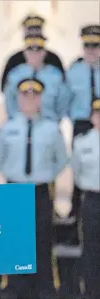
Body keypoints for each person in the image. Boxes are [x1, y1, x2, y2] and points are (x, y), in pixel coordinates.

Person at [0, 78, 67, 299]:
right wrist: (14, 174)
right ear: (18, 98)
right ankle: (16, 288)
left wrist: (44, 176)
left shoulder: (52, 128)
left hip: (40, 190)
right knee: (15, 239)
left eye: (35, 95)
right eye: (25, 95)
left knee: (43, 239)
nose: (30, 99)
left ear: (40, 99)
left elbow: (61, 160)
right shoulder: (7, 127)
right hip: (14, 189)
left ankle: (44, 289)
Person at [65, 24, 100, 244]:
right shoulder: (74, 71)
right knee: (80, 174)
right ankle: (77, 214)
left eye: (95, 45)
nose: (91, 50)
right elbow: (65, 100)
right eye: (87, 45)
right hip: (81, 124)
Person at [4, 33, 69, 122]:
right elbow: (10, 102)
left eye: (38, 51)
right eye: (30, 50)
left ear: (44, 53)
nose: (34, 54)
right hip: (21, 124)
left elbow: (62, 102)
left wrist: (55, 120)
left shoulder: (55, 75)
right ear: (25, 53)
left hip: (49, 123)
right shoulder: (14, 75)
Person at [70, 98, 100, 299]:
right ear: (92, 117)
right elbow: (77, 172)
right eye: (98, 113)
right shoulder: (82, 142)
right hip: (92, 199)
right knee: (91, 249)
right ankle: (91, 292)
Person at [0, 14, 64, 92]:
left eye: (37, 30)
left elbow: (63, 91)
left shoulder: (54, 59)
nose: (34, 35)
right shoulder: (14, 61)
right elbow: (5, 90)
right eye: (30, 31)